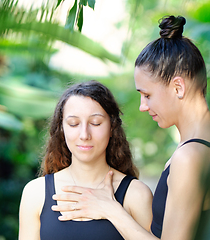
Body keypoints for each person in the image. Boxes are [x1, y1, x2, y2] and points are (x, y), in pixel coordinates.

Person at [51, 15, 210, 240]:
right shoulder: (198, 148)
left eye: (147, 95)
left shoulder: (190, 155)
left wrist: (111, 209)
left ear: (178, 87)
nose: (143, 106)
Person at [18, 80, 153, 240]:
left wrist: (112, 210)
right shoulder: (35, 193)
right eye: (73, 124)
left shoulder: (136, 194)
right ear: (62, 129)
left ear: (112, 127)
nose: (84, 135)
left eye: (95, 123)